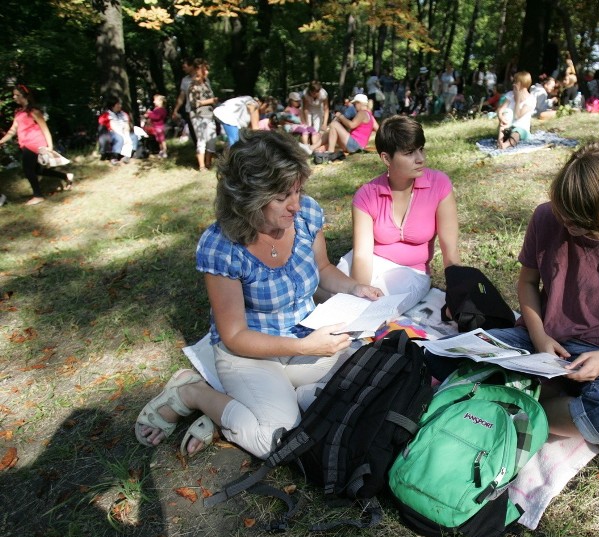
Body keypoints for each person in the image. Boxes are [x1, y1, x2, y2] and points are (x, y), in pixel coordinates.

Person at [135, 130, 383, 459]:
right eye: (282, 197)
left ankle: (241, 408)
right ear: (249, 199)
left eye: (298, 190)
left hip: (304, 340)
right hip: (250, 355)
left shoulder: (307, 214)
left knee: (367, 376)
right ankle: (193, 394)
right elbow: (235, 335)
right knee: (279, 440)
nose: (296, 204)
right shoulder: (222, 246)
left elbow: (322, 270)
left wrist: (355, 288)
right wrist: (305, 347)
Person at [426, 142, 599, 456]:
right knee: (437, 357)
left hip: (594, 351)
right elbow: (527, 281)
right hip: (536, 336)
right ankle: (537, 399)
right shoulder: (546, 216)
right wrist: (540, 338)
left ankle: (509, 407)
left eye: (579, 224)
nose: (567, 226)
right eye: (563, 215)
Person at [335, 115, 461, 314]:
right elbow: (362, 254)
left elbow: (450, 250)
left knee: (380, 310)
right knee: (334, 297)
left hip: (412, 272)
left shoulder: (439, 185)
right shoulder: (367, 195)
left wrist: (458, 294)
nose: (420, 158)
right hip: (370, 263)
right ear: (386, 158)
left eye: (421, 149)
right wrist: (359, 293)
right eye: (410, 152)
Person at [0, 85, 73, 205]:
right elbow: (12, 131)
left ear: (25, 96)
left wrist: (49, 146)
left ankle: (38, 195)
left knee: (28, 170)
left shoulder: (34, 111)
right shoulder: (18, 113)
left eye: (17, 95)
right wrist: (1, 141)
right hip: (25, 145)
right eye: (13, 95)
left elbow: (45, 129)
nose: (14, 97)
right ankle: (66, 176)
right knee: (38, 170)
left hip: (35, 144)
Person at [311, 93, 377, 163]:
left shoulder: (362, 113)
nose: (355, 107)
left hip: (355, 145)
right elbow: (378, 128)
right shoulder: (370, 116)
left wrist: (340, 116)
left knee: (334, 124)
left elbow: (351, 125)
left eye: (355, 104)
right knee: (331, 133)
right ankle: (311, 148)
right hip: (359, 146)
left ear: (359, 103)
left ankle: (330, 153)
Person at [188, 58, 219, 170]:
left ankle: (208, 163)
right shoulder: (193, 85)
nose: (207, 72)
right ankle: (202, 166)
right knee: (201, 140)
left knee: (212, 139)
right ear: (199, 70)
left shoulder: (207, 83)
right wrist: (210, 101)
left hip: (209, 115)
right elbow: (194, 103)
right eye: (205, 70)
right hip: (198, 116)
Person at [496, 70, 535, 149]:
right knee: (506, 113)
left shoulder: (531, 99)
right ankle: (499, 141)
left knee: (516, 133)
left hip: (521, 128)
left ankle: (505, 145)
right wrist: (500, 116)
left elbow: (517, 116)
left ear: (522, 84)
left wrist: (517, 100)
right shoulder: (510, 94)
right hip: (508, 126)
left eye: (516, 82)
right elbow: (500, 109)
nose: (513, 84)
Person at [97, 96, 139, 164]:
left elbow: (126, 125)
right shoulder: (107, 115)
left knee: (134, 137)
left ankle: (130, 154)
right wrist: (122, 135)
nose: (120, 106)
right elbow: (109, 126)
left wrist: (126, 134)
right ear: (113, 106)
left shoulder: (123, 114)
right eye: (118, 104)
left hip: (124, 131)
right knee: (119, 138)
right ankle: (114, 156)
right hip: (111, 132)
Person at [171, 58, 197, 145]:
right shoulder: (185, 80)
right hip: (190, 111)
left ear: (191, 66)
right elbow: (182, 96)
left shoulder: (202, 77)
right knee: (194, 135)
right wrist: (175, 110)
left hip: (202, 111)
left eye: (185, 66)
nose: (183, 69)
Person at [145, 94, 168, 158]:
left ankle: (165, 151)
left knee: (162, 140)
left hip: (159, 127)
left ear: (160, 101)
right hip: (156, 127)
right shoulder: (156, 109)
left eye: (155, 100)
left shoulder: (161, 109)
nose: (153, 102)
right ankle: (161, 151)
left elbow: (156, 117)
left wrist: (149, 114)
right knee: (159, 140)